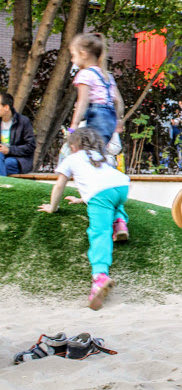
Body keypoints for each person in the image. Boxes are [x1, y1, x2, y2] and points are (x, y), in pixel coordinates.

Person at [38, 128, 130, 310]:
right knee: (115, 203)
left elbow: (59, 187)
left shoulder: (71, 159)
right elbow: (104, 182)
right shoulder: (98, 156)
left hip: (101, 194)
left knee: (99, 233)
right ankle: (120, 221)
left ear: (72, 145)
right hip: (122, 185)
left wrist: (53, 207)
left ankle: (100, 276)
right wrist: (83, 198)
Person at [68, 33, 124, 145]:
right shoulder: (106, 75)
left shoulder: (85, 74)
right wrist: (118, 120)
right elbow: (118, 101)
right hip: (110, 120)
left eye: (73, 55)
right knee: (99, 149)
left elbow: (83, 101)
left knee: (91, 152)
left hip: (97, 118)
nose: (72, 60)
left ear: (83, 54)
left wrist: (74, 125)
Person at [0, 92, 36, 176]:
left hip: (19, 159)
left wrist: (9, 150)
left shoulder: (23, 121)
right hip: (1, 157)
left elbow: (30, 146)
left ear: (6, 107)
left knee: (7, 164)